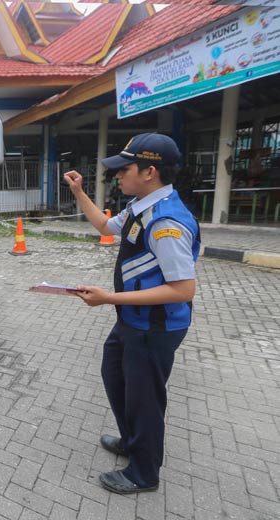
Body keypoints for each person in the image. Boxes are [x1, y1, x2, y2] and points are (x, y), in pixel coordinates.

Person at [62, 133, 201, 494]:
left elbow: (183, 289)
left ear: (149, 171)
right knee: (116, 377)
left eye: (124, 169)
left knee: (145, 399)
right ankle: (131, 440)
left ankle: (143, 473)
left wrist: (108, 298)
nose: (117, 176)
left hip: (155, 327)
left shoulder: (167, 222)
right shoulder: (140, 206)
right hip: (132, 320)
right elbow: (105, 226)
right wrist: (79, 192)